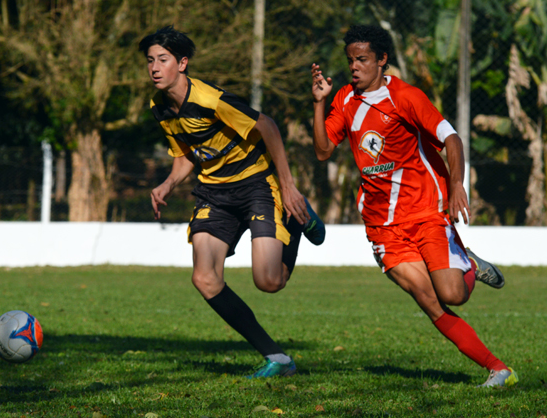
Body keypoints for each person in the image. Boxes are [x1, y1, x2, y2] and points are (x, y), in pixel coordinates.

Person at [310, 24, 517, 388]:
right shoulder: (344, 99)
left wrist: (456, 185)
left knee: (453, 293)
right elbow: (324, 149)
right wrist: (319, 102)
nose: (354, 67)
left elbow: (451, 138)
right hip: (382, 225)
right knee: (428, 299)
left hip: (425, 212)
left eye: (362, 60)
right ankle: (499, 370)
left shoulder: (406, 97)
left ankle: (466, 261)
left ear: (381, 60)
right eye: (350, 61)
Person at [140, 25, 325, 379]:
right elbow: (187, 154)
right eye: (150, 60)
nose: (154, 68)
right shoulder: (159, 106)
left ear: (182, 63)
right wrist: (167, 183)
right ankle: (278, 359)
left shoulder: (211, 100)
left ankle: (296, 218)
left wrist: (287, 187)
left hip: (256, 184)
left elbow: (267, 126)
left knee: (269, 282)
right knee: (205, 278)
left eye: (162, 60)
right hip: (214, 193)